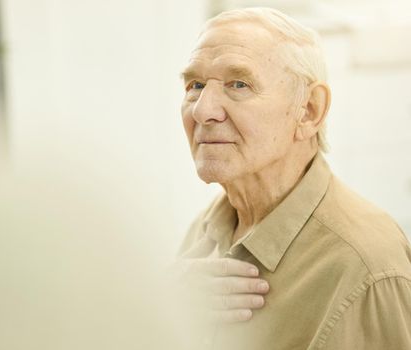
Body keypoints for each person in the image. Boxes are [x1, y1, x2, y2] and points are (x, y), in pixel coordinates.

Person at [175, 7, 411, 349]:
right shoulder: (207, 229)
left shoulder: (368, 270)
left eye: (238, 83)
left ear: (310, 110)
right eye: (195, 85)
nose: (202, 109)